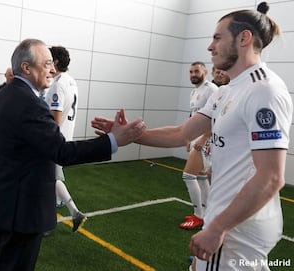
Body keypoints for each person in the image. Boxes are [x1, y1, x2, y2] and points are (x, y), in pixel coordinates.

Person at [91, 2, 292, 270]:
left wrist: (218, 227)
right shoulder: (226, 91)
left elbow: (271, 177)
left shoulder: (263, 90)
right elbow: (181, 132)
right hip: (227, 220)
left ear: (244, 38)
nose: (210, 46)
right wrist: (130, 135)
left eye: (218, 37)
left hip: (237, 228)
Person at [0, 38, 145, 271]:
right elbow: (62, 151)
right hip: (22, 210)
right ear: (26, 68)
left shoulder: (5, 94)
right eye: (46, 63)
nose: (52, 69)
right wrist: (113, 140)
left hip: (5, 202)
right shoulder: (30, 103)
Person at [45, 46, 86, 232]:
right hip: (65, 137)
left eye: (48, 60)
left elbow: (55, 117)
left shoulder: (58, 84)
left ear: (56, 62)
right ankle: (68, 208)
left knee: (48, 179)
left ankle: (71, 213)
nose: (45, 63)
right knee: (52, 177)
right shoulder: (71, 81)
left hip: (55, 139)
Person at [179, 62, 218, 230]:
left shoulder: (212, 89)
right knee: (201, 177)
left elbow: (217, 117)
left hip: (205, 139)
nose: (193, 74)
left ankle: (198, 216)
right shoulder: (195, 90)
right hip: (196, 137)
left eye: (196, 71)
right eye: (190, 71)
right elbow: (193, 116)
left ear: (205, 72)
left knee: (188, 176)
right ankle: (208, 213)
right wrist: (188, 137)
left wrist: (203, 138)